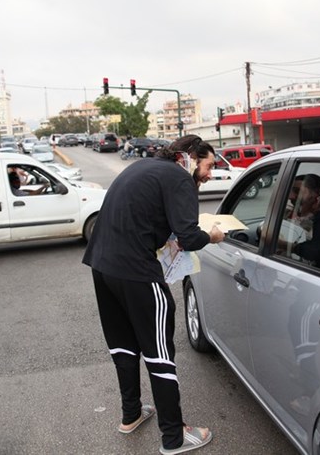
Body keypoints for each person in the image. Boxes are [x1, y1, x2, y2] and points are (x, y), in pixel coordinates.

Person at [82, 134, 224, 455]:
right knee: (160, 352)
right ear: (189, 157)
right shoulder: (179, 177)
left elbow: (147, 217)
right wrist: (212, 236)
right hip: (136, 271)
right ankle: (174, 437)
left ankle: (131, 415)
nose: (210, 174)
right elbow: (189, 235)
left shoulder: (144, 166)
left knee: (124, 346)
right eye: (208, 166)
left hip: (102, 267)